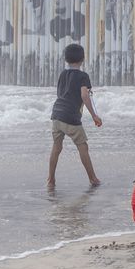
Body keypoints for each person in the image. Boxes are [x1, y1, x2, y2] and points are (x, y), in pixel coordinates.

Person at [46, 43, 102, 189]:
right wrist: (94, 115)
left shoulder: (62, 74)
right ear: (83, 58)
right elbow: (84, 95)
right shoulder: (83, 76)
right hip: (71, 118)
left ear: (66, 59)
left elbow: (61, 93)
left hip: (56, 115)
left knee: (56, 147)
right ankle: (93, 179)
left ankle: (50, 180)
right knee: (83, 147)